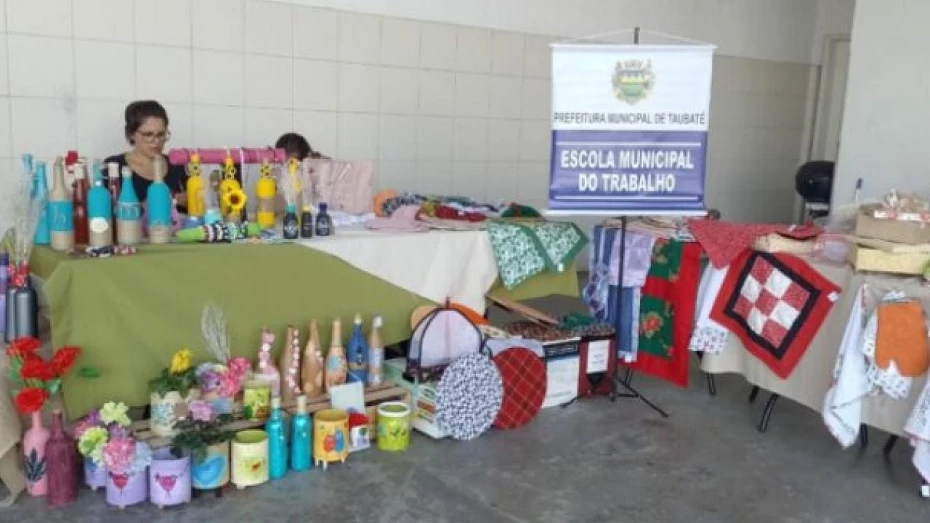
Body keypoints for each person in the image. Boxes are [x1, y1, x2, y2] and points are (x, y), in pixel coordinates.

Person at [105, 100, 188, 208]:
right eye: (148, 135)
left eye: (161, 134)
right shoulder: (114, 167)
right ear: (131, 134)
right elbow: (107, 211)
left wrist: (189, 201)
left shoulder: (176, 165)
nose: (156, 141)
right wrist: (166, 201)